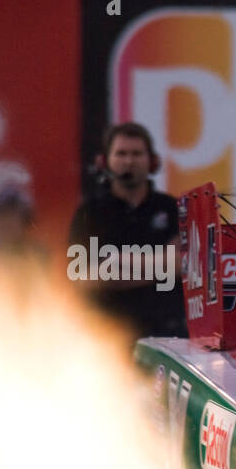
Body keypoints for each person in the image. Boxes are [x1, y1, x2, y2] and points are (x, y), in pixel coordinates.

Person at [68, 122, 181, 337]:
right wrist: (159, 266)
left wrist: (117, 260)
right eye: (121, 154)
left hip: (167, 336)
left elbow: (181, 263)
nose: (129, 161)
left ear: (152, 161)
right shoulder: (89, 213)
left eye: (137, 154)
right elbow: (82, 276)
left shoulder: (172, 208)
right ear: (105, 161)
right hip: (107, 337)